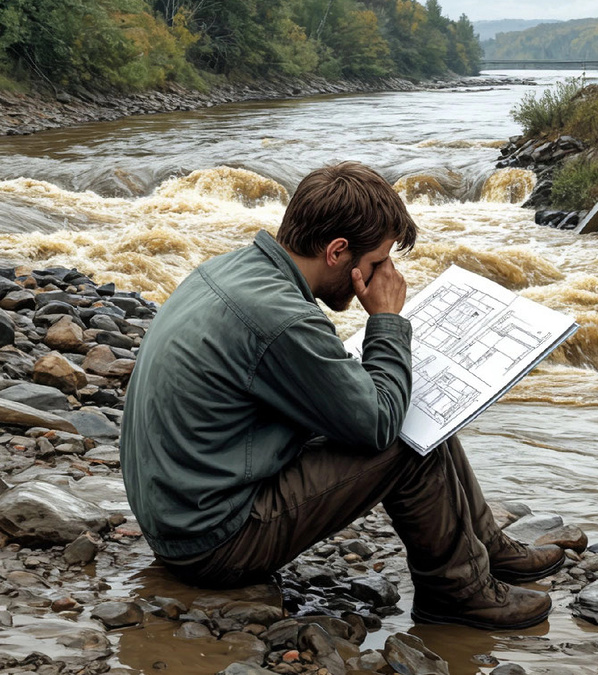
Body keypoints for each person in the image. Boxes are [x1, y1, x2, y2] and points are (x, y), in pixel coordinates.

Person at [119, 161, 564, 630]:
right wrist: (386, 321)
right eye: (376, 264)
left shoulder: (233, 270)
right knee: (402, 432)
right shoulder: (282, 318)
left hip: (182, 512)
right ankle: (456, 594)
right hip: (213, 542)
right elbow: (377, 425)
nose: (384, 276)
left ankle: (486, 546)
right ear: (336, 252)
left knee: (405, 397)